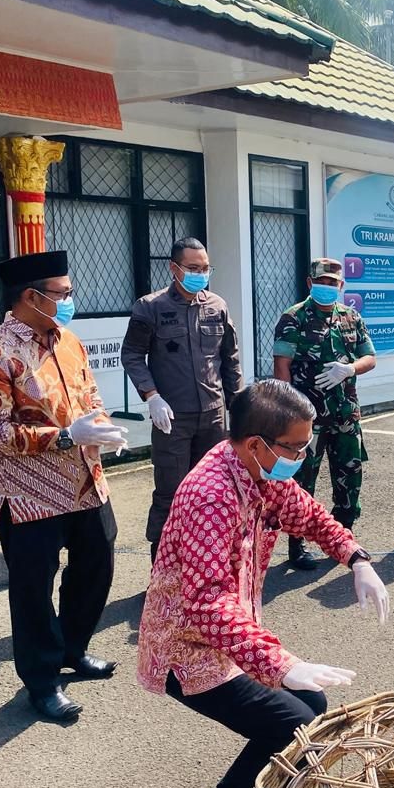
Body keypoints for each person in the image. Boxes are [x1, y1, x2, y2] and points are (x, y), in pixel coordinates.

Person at [137, 379, 388, 788]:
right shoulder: (210, 495)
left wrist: (356, 559)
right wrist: (282, 664)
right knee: (294, 730)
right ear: (257, 443)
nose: (301, 456)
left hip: (229, 639)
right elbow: (206, 602)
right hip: (187, 652)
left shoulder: (257, 471)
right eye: (296, 447)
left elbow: (309, 515)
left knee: (310, 709)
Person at [0, 251, 129, 722]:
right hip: (28, 493)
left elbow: (89, 395)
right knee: (33, 590)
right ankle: (41, 681)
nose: (70, 300)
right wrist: (63, 437)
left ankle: (72, 649)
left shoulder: (69, 340)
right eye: (63, 293)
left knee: (96, 568)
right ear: (31, 297)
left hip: (85, 482)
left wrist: (103, 428)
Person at [122, 237, 242, 562]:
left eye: (205, 268)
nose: (200, 274)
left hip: (213, 418)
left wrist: (239, 409)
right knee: (171, 494)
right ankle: (164, 568)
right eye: (192, 268)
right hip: (172, 418)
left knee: (212, 493)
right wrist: (151, 396)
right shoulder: (151, 307)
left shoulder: (217, 305)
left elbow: (230, 359)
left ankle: (206, 562)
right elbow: (132, 354)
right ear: (174, 268)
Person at [272, 258, 376, 570]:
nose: (328, 287)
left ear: (341, 286)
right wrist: (290, 416)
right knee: (303, 483)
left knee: (349, 479)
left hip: (346, 416)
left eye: (334, 283)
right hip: (307, 422)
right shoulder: (294, 318)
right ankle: (297, 544)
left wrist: (349, 369)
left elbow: (369, 357)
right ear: (309, 282)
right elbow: (282, 368)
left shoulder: (351, 317)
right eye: (323, 281)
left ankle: (344, 538)